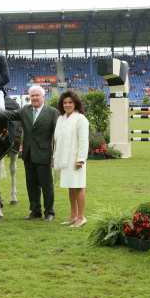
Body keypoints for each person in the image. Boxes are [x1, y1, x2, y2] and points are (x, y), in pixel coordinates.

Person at [0, 85, 58, 221]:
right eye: (32, 96)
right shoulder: (25, 110)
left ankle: (49, 212)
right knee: (31, 185)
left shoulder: (52, 112)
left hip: (44, 155)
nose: (34, 98)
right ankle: (35, 211)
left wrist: (55, 155)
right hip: (28, 155)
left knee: (46, 186)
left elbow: (57, 135)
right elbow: (8, 114)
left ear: (43, 97)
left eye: (37, 95)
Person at [53, 90, 89, 228]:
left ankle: (81, 217)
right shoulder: (61, 119)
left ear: (75, 104)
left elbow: (84, 140)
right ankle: (73, 216)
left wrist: (81, 159)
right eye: (65, 102)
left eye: (70, 102)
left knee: (79, 186)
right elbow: (57, 140)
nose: (67, 105)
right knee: (70, 187)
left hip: (75, 159)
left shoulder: (81, 119)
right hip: (64, 159)